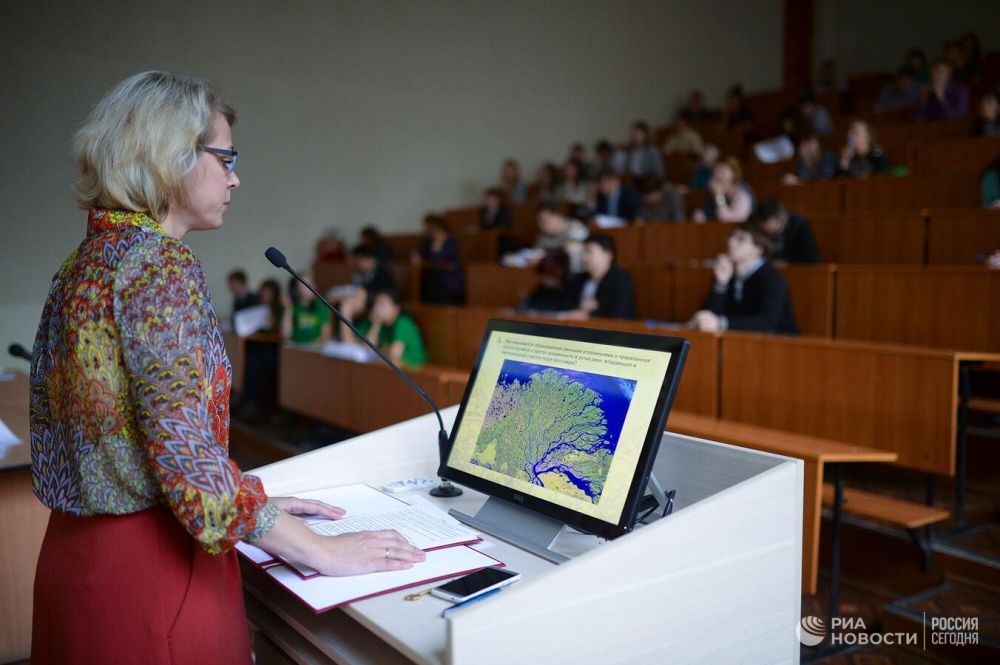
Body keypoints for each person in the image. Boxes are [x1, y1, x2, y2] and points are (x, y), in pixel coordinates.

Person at [28, 71, 423, 665]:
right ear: (171, 156)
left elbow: (137, 441)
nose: (235, 176)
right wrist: (322, 551)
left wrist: (250, 497)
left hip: (74, 561)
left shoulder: (85, 261)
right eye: (225, 156)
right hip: (155, 572)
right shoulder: (157, 267)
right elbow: (189, 468)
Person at [691, 224, 798, 334]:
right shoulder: (726, 272)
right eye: (731, 237)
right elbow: (711, 316)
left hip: (779, 344)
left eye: (740, 239)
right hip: (740, 341)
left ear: (758, 249)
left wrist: (722, 323)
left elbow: (767, 322)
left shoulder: (771, 277)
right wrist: (720, 284)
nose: (731, 242)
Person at [563, 234, 636, 320]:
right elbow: (565, 304)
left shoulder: (621, 279)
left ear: (607, 255)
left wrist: (589, 316)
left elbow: (619, 314)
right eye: (583, 253)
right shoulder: (579, 278)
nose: (584, 258)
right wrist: (581, 306)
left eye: (589, 252)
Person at [354, 288, 427, 366]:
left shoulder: (403, 323)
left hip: (414, 369)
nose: (376, 308)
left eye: (382, 304)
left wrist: (377, 350)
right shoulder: (381, 324)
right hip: (392, 367)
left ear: (396, 309)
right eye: (375, 304)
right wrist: (376, 324)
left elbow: (394, 354)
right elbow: (366, 349)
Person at [750, 199, 820, 264]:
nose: (766, 231)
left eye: (768, 226)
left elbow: (812, 259)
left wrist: (788, 262)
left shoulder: (799, 225)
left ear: (778, 219)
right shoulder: (760, 230)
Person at [415, 214, 464, 304]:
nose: (427, 230)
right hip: (432, 277)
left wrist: (437, 248)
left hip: (447, 278)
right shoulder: (428, 241)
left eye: (430, 227)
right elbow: (419, 254)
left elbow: (445, 260)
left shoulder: (450, 242)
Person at [693, 157, 754, 223]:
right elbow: (702, 213)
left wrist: (719, 196)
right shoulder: (716, 191)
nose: (717, 175)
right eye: (715, 171)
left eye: (722, 171)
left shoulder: (742, 195)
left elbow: (726, 220)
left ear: (734, 175)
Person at [532, 204, 589, 272]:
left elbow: (574, 258)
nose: (541, 226)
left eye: (544, 221)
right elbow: (537, 255)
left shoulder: (575, 229)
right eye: (539, 222)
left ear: (557, 216)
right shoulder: (543, 237)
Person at [282, 271, 333, 344]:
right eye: (307, 283)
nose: (313, 286)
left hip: (316, 348)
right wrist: (288, 309)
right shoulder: (292, 306)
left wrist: (310, 347)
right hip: (297, 348)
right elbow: (286, 335)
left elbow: (326, 335)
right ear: (297, 289)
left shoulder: (321, 305)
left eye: (312, 282)